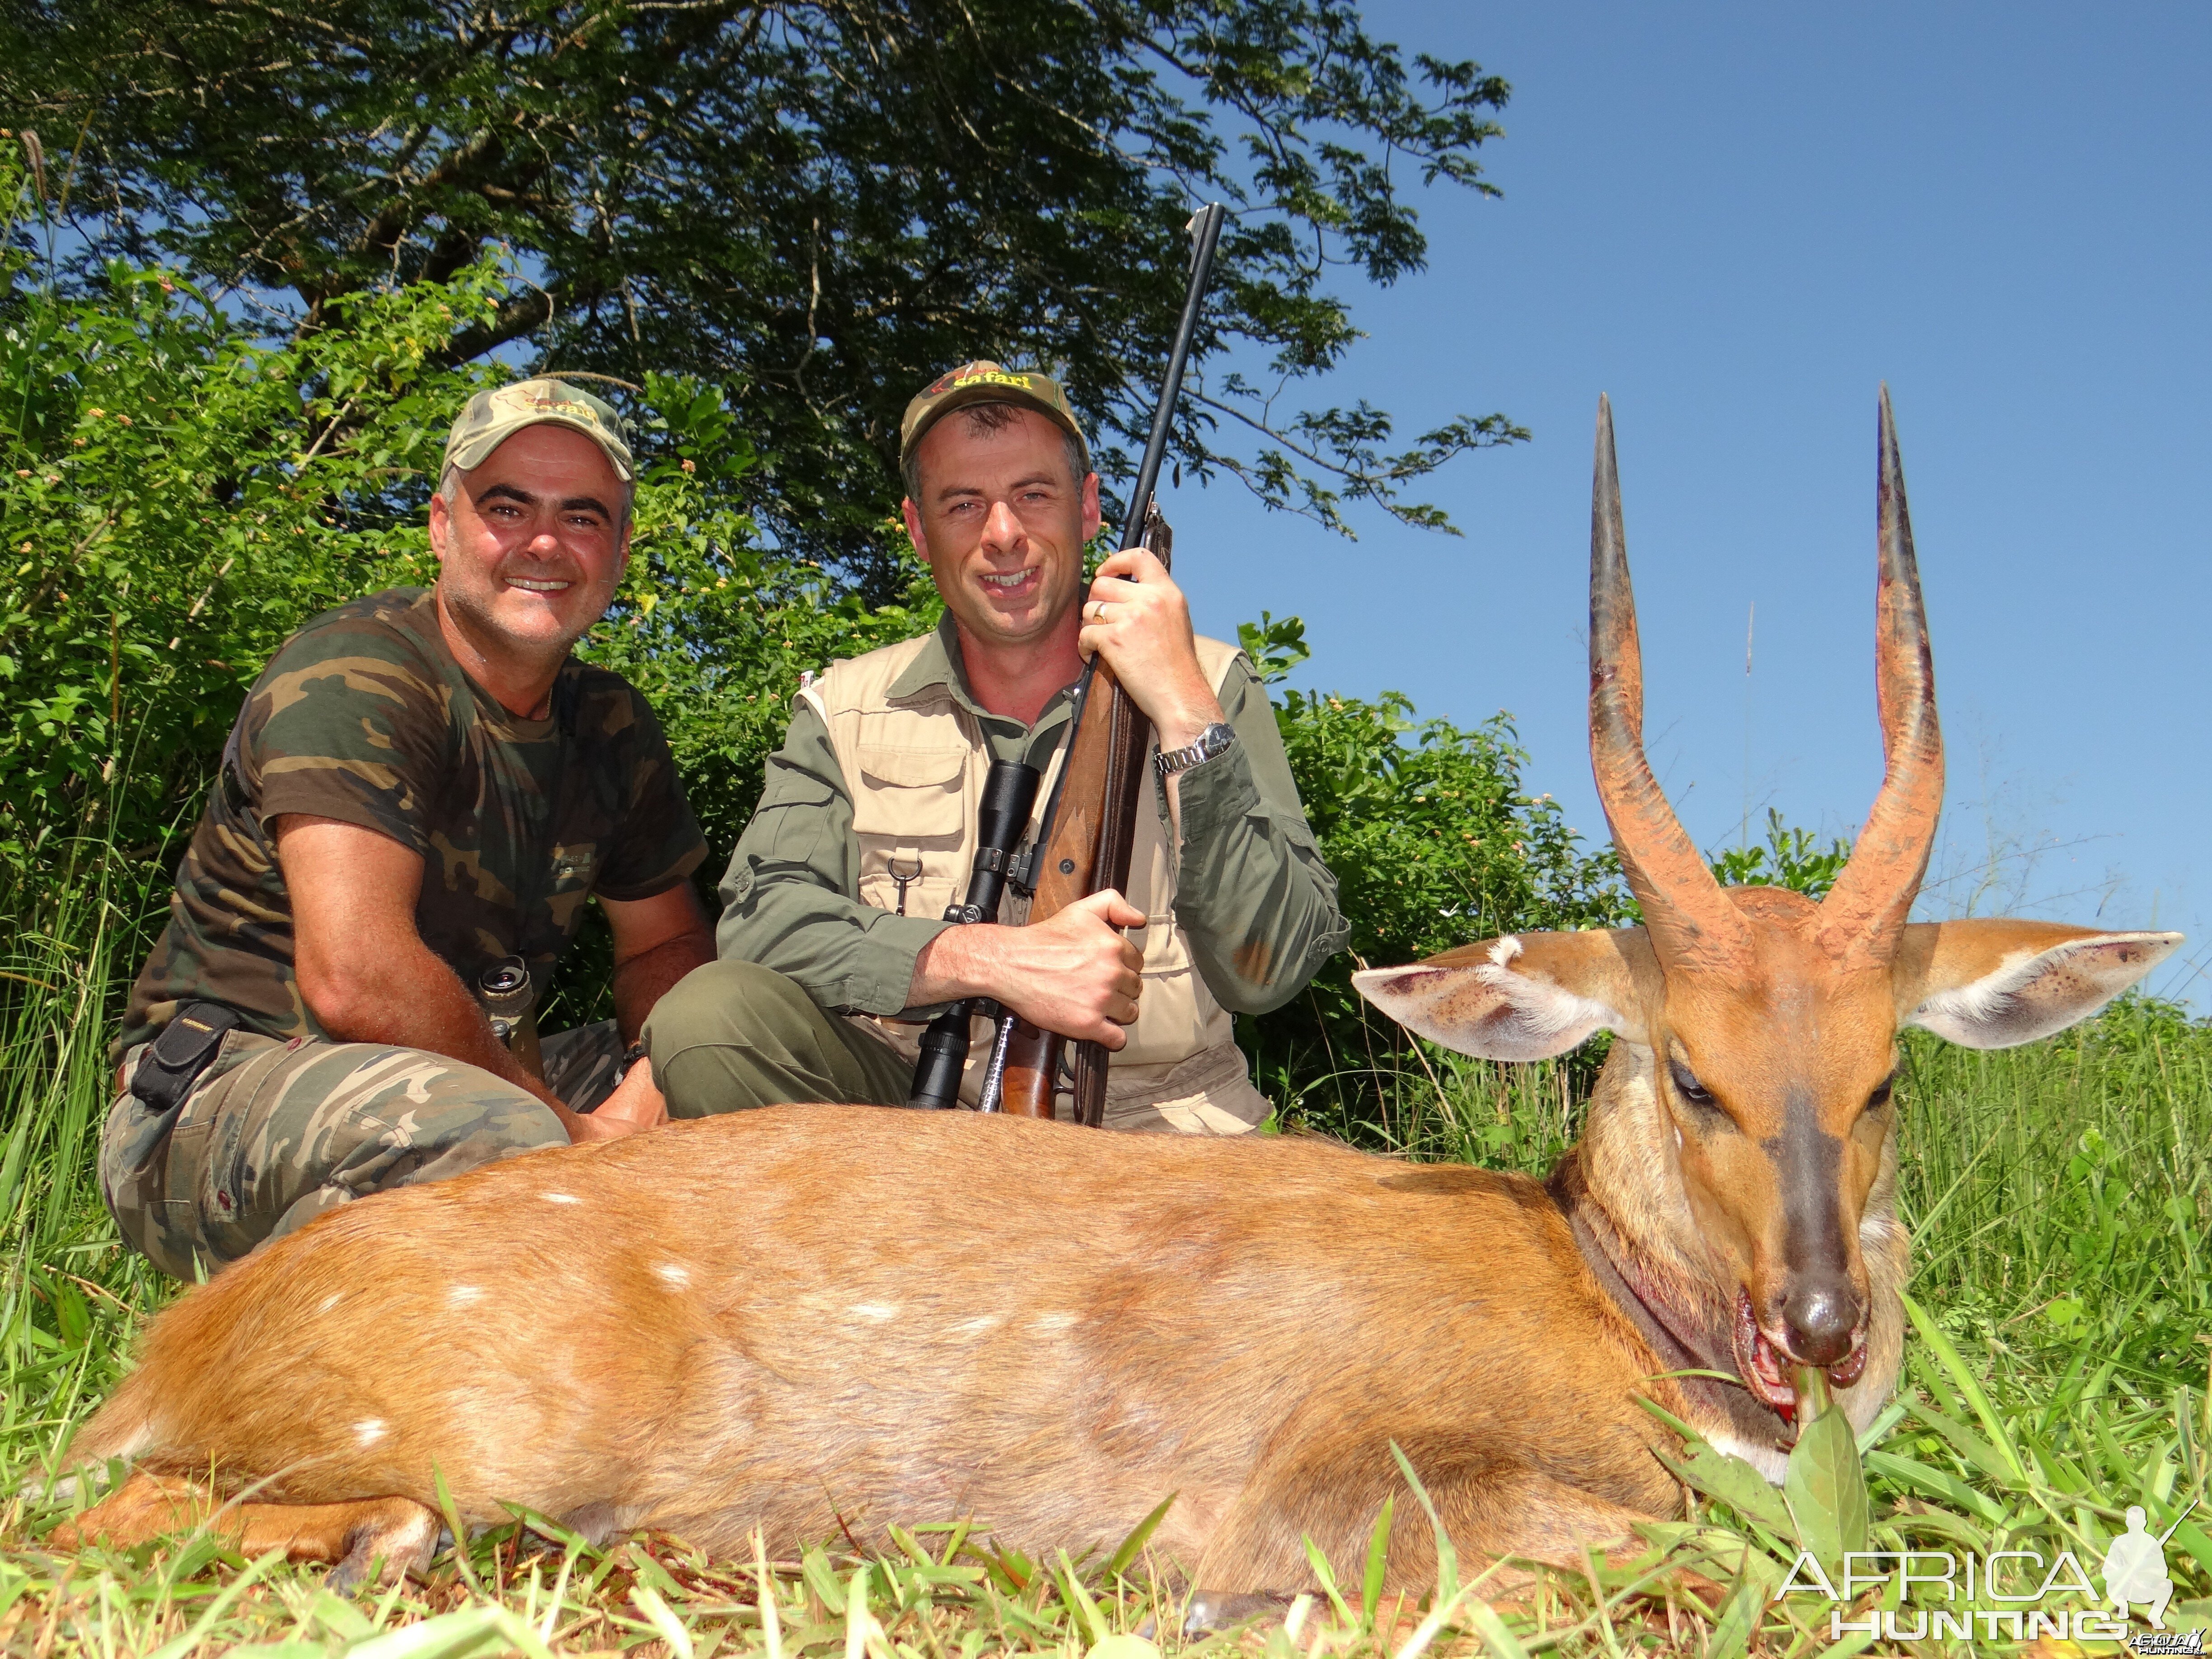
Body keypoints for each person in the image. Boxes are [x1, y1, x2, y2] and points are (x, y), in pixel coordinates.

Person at [102, 379, 717, 1278]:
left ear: (620, 550)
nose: (544, 542)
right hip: (216, 1104)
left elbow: (665, 945)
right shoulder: (358, 673)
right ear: (442, 525)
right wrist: (576, 1130)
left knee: (743, 1063)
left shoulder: (611, 725)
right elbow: (356, 978)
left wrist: (655, 1080)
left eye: (582, 518)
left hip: (468, 1082)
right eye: (507, 507)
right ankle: (274, 1361)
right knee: (494, 1135)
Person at [646, 361, 1346, 1131]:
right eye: (964, 503)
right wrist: (987, 961)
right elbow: (761, 918)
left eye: (1033, 494)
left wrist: (1180, 706)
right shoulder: (840, 706)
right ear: (919, 530)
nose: (1003, 535)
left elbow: (1271, 965)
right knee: (706, 1020)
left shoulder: (1210, 680)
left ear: (1088, 508)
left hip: (1160, 1130)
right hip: (900, 1115)